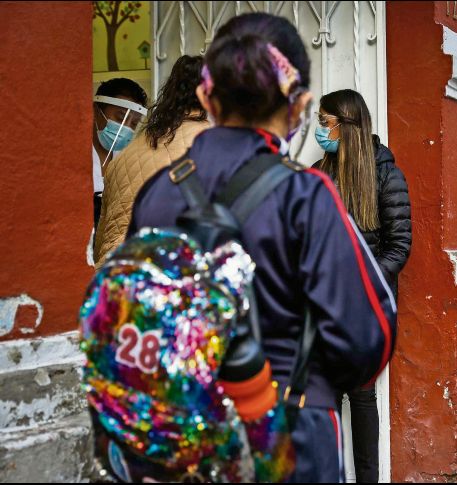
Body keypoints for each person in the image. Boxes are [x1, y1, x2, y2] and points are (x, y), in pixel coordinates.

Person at [129, 13, 397, 483]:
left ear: (207, 97)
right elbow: (366, 340)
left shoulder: (156, 194)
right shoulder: (308, 196)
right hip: (290, 432)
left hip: (187, 438)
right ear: (297, 106)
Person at [314, 89, 412, 483]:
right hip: (323, 306)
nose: (320, 130)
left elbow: (399, 245)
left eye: (325, 123)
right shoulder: (320, 172)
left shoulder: (386, 173)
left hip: (367, 309)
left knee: (362, 396)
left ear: (346, 125)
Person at [93, 55, 209, 268]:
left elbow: (101, 239)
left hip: (113, 277)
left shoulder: (126, 155)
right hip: (165, 279)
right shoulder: (216, 145)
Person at [91, 78, 148, 231]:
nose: (126, 128)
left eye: (134, 123)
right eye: (121, 117)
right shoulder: (75, 153)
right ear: (96, 110)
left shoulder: (127, 159)